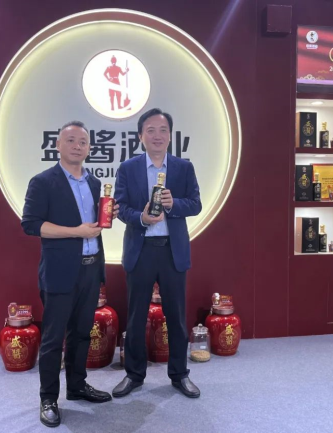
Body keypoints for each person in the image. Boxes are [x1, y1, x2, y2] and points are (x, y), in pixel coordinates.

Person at [21, 120, 119, 428]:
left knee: (81, 333)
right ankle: (48, 398)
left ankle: (77, 386)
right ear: (58, 145)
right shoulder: (43, 182)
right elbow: (31, 224)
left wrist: (107, 217)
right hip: (60, 271)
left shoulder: (94, 183)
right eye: (71, 140)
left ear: (89, 148)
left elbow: (94, 226)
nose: (78, 146)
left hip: (90, 268)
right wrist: (76, 231)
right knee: (53, 339)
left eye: (83, 142)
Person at [112, 108, 202, 399]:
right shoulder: (128, 168)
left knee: (176, 317)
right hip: (140, 251)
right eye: (150, 130)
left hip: (172, 251)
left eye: (163, 130)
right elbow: (120, 208)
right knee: (136, 317)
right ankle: (134, 375)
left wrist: (174, 204)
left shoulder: (183, 167)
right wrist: (141, 217)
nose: (157, 136)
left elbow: (195, 204)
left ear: (170, 136)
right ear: (141, 136)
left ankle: (179, 374)